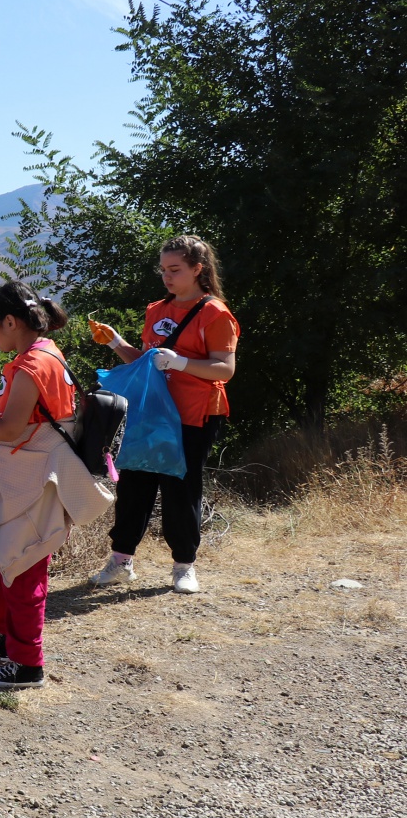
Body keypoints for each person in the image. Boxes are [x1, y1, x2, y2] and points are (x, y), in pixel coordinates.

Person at [0, 282, 112, 689]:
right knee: (4, 558)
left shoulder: (32, 365)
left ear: (10, 322)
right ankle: (6, 643)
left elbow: (10, 428)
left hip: (37, 482)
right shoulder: (38, 355)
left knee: (24, 565)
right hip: (25, 479)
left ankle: (28, 664)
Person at [88, 235, 239, 594]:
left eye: (175, 270)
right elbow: (145, 365)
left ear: (197, 270)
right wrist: (115, 343)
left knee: (180, 490)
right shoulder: (156, 310)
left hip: (194, 414)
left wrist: (182, 362)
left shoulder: (215, 313)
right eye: (163, 270)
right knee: (135, 486)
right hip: (152, 412)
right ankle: (121, 561)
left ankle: (184, 566)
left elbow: (224, 369)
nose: (167, 277)